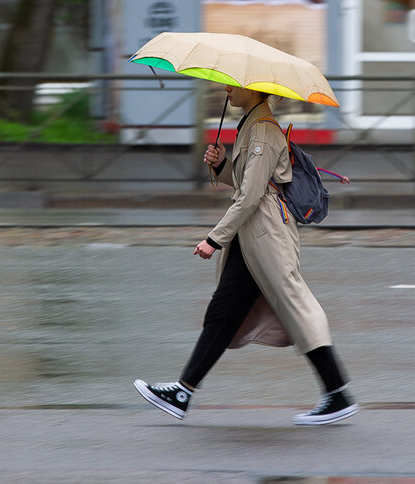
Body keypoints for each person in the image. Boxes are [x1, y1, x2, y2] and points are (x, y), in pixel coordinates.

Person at [134, 85, 357, 426]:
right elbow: (247, 182)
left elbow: (252, 194)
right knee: (223, 312)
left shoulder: (263, 131)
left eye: (232, 85)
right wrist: (223, 164)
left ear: (253, 91)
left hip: (265, 233)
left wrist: (214, 238)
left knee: (295, 306)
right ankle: (183, 392)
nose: (226, 89)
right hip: (252, 234)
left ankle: (338, 392)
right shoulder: (252, 126)